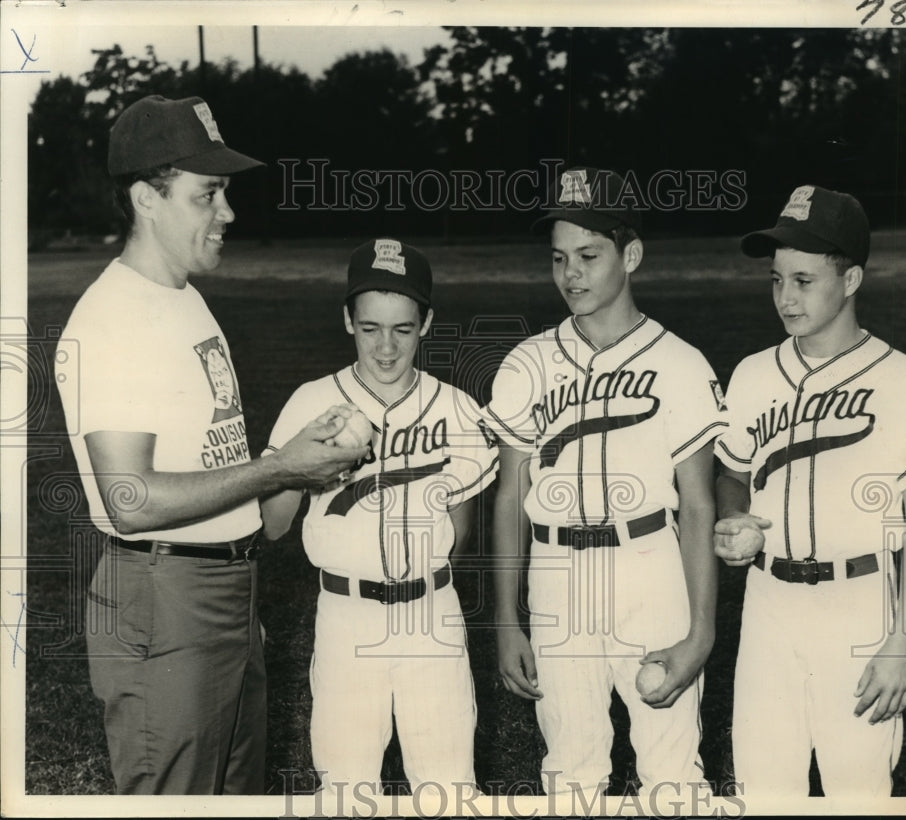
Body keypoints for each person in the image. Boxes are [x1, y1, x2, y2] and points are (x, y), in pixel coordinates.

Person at [54, 95, 368, 795]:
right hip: (164, 597)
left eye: (224, 194)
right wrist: (279, 466)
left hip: (226, 588)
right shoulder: (114, 320)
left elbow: (212, 455)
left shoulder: (183, 298)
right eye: (208, 196)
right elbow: (129, 500)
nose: (227, 214)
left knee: (234, 796)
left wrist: (294, 457)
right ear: (146, 198)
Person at [713, 184, 906, 797]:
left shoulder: (900, 376)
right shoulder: (752, 373)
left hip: (859, 606)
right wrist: (733, 515)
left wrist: (903, 642)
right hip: (769, 607)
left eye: (804, 280)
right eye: (776, 280)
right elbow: (731, 471)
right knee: (765, 789)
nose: (785, 298)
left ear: (850, 280)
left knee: (858, 792)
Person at [485, 167, 724, 797]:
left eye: (589, 256)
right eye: (560, 258)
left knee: (672, 773)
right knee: (570, 769)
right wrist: (506, 621)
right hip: (556, 573)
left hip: (649, 568)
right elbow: (509, 496)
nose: (571, 274)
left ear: (632, 255)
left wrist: (701, 632)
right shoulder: (527, 362)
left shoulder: (679, 362)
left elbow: (698, 507)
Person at [261, 238, 498, 799]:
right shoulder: (311, 402)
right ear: (347, 320)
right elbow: (272, 526)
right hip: (345, 616)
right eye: (370, 328)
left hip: (431, 616)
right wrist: (299, 460)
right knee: (345, 790)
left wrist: (425, 585)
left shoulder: (458, 409)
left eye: (403, 329)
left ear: (428, 323)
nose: (386, 347)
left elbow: (460, 530)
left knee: (449, 790)